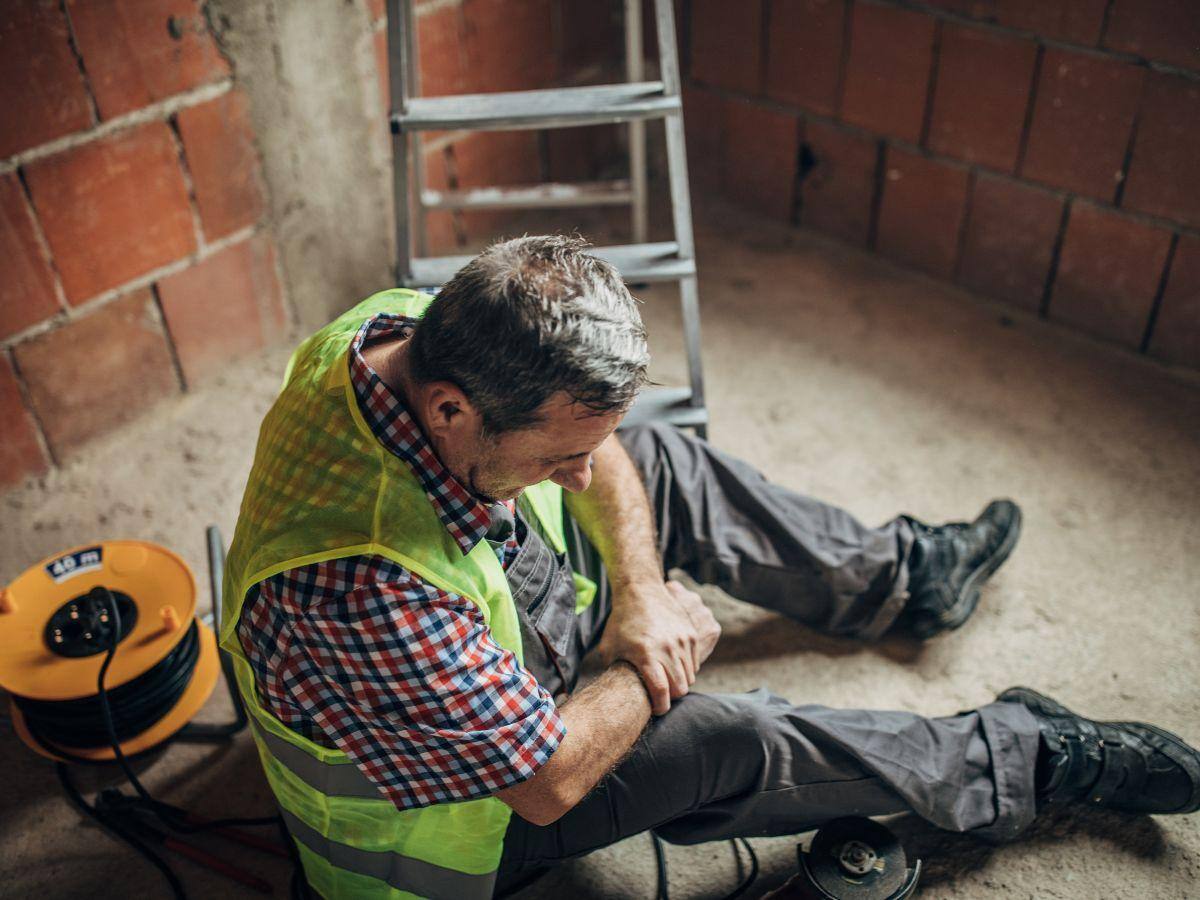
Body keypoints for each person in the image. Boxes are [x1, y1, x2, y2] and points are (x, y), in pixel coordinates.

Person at [219, 235, 1200, 899]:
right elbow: (548, 780)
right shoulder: (362, 589)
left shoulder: (413, 330)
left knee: (662, 469)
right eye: (559, 452)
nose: (582, 467)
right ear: (446, 410)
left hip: (477, 640)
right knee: (726, 731)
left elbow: (607, 456)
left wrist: (642, 594)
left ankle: (904, 578)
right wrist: (659, 660)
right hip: (447, 827)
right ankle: (1025, 756)